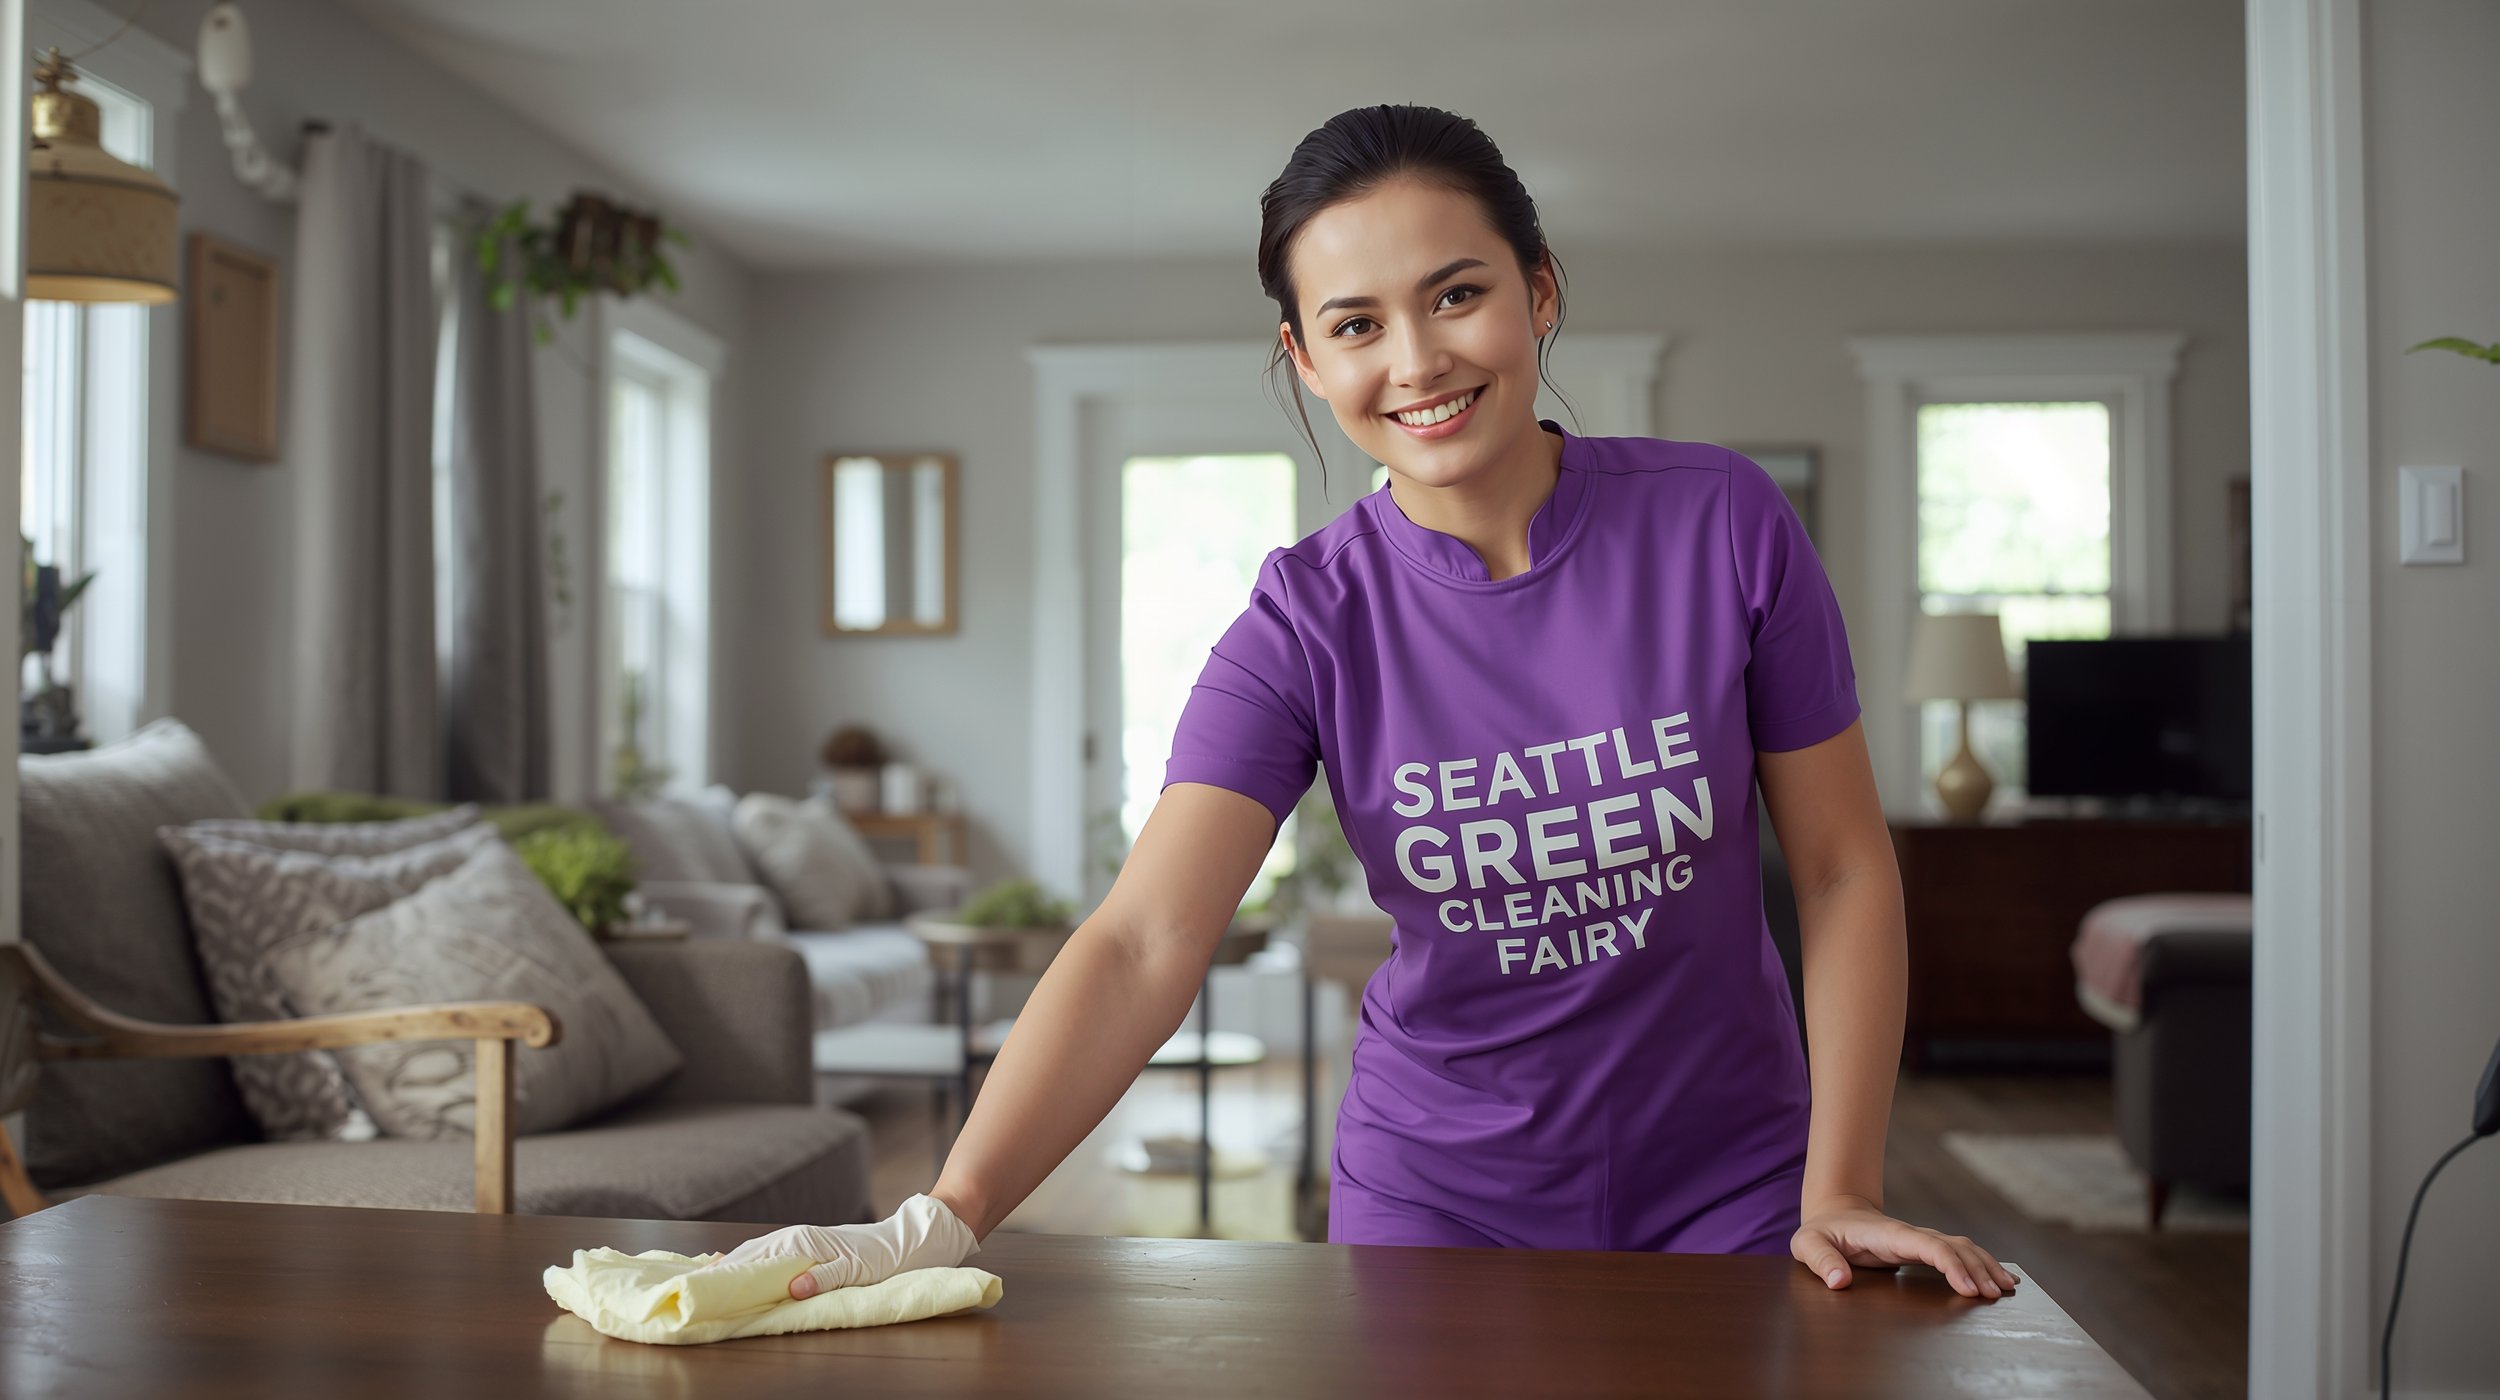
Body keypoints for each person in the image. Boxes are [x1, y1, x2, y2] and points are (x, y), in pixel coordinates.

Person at [708, 104, 2019, 1305]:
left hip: (1733, 1182)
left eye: (1458, 295)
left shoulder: (1721, 523)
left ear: (1540, 291)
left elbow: (1846, 871)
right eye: (1355, 324)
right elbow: (1144, 940)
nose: (1417, 360)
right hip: (1440, 1198)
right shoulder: (1302, 621)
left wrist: (1839, 1183)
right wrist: (943, 1215)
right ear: (1304, 355)